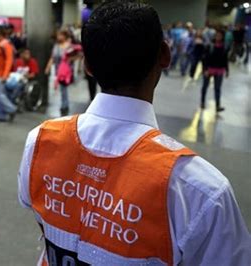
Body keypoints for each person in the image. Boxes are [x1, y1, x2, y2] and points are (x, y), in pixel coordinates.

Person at [18, 2, 251, 265]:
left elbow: (43, 222)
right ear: (165, 55)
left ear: (88, 66)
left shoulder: (40, 141)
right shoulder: (198, 189)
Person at [44, 30, 75, 116]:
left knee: (63, 88)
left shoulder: (69, 46)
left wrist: (69, 60)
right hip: (58, 70)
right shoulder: (56, 46)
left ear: (65, 36)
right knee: (62, 88)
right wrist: (48, 67)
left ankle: (64, 105)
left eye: (60, 35)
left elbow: (77, 55)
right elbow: (52, 57)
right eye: (58, 35)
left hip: (66, 71)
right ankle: (65, 104)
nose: (59, 37)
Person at [200, 29, 229, 112]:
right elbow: (204, 59)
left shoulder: (224, 47)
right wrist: (204, 69)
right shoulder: (210, 46)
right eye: (217, 36)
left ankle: (217, 106)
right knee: (205, 86)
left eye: (220, 36)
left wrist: (227, 70)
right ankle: (202, 102)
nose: (218, 37)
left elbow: (225, 60)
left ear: (222, 37)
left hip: (220, 70)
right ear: (214, 36)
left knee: (217, 88)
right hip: (209, 69)